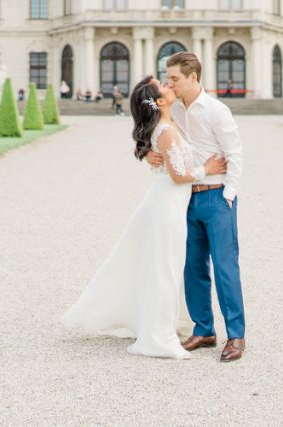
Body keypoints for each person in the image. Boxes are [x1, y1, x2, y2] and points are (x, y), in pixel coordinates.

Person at [61, 76, 227, 359]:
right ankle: (158, 334)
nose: (169, 83)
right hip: (167, 205)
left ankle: (166, 322)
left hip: (168, 203)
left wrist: (148, 150)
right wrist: (207, 169)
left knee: (164, 266)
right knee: (164, 268)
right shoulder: (166, 130)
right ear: (160, 101)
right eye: (163, 84)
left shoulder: (170, 121)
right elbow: (178, 176)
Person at [146, 51, 246, 362]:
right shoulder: (172, 110)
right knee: (193, 266)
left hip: (217, 197)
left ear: (193, 77)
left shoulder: (216, 110)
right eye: (167, 78)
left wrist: (228, 195)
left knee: (225, 267)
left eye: (174, 78)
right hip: (187, 197)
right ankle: (204, 329)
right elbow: (155, 136)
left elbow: (235, 154)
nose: (169, 83)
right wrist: (147, 153)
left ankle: (237, 336)